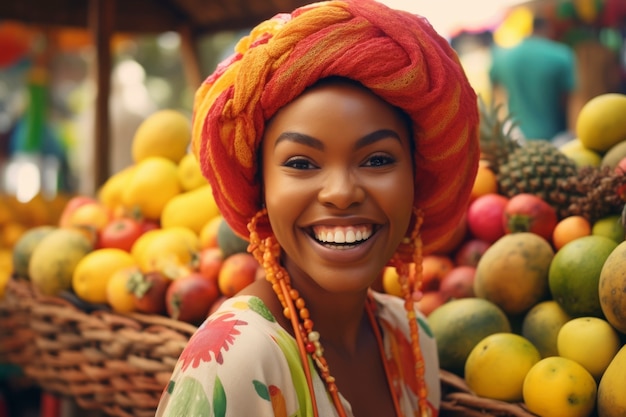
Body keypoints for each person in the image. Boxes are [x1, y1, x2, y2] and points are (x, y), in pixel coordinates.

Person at [155, 1, 479, 416]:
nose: (341, 193)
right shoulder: (236, 358)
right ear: (261, 187)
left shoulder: (410, 336)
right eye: (301, 163)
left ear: (416, 178)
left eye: (377, 159)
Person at [489, 15, 577, 141]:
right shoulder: (561, 54)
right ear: (547, 29)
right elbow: (573, 101)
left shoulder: (502, 57)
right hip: (556, 139)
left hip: (517, 137)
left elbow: (496, 95)